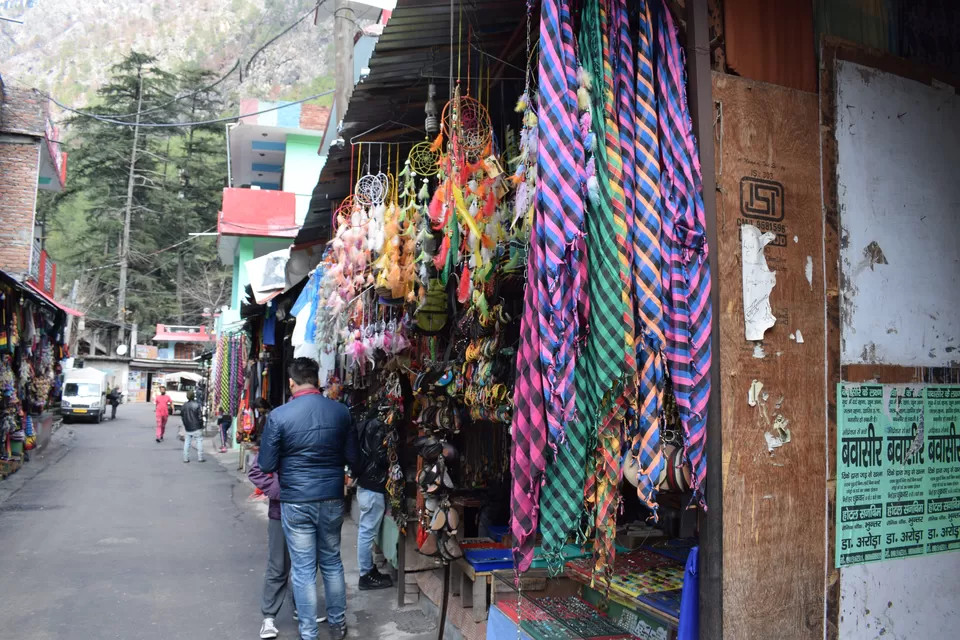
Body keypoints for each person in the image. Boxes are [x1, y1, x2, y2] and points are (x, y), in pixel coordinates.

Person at [259, 357, 358, 640]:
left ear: (291, 383)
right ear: (318, 380)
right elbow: (354, 459)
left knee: (302, 570)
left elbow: (266, 464)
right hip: (331, 498)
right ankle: (338, 625)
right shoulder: (341, 412)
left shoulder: (279, 415)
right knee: (331, 562)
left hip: (296, 501)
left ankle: (309, 633)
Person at [248, 454, 327, 639]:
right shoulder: (277, 432)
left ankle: (302, 609)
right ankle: (269, 617)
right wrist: (277, 490)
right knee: (278, 565)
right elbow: (256, 470)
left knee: (306, 565)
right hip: (280, 511)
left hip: (307, 509)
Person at [354, 412, 393, 590]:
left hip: (365, 484)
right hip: (372, 486)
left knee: (366, 531)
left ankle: (368, 570)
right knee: (367, 532)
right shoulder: (378, 427)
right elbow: (380, 457)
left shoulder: (364, 424)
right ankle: (366, 575)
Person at [181, 391, 205, 463]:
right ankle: (200, 458)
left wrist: (185, 424)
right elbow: (200, 417)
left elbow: (182, 417)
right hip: (197, 426)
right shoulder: (197, 405)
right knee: (199, 441)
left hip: (188, 427)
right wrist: (201, 425)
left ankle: (185, 458)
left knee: (187, 442)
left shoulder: (184, 405)